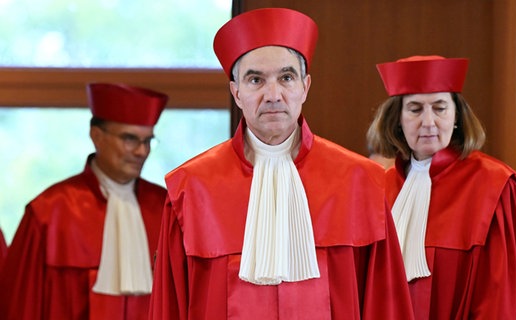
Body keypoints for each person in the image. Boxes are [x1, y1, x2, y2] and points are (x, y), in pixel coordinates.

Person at [149, 7, 413, 320]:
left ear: (305, 86)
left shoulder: (360, 180)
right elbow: (169, 308)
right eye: (255, 80)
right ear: (236, 92)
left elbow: (386, 305)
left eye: (286, 78)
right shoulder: (190, 188)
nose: (273, 95)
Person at [366, 55, 516, 319]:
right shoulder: (380, 186)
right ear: (397, 119)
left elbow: (501, 301)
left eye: (440, 108)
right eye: (415, 109)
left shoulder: (496, 185)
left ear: (457, 116)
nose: (428, 122)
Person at [0, 83, 169, 320]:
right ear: (97, 136)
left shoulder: (166, 209)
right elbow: (21, 307)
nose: (141, 151)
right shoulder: (49, 211)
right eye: (130, 139)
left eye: (147, 141)